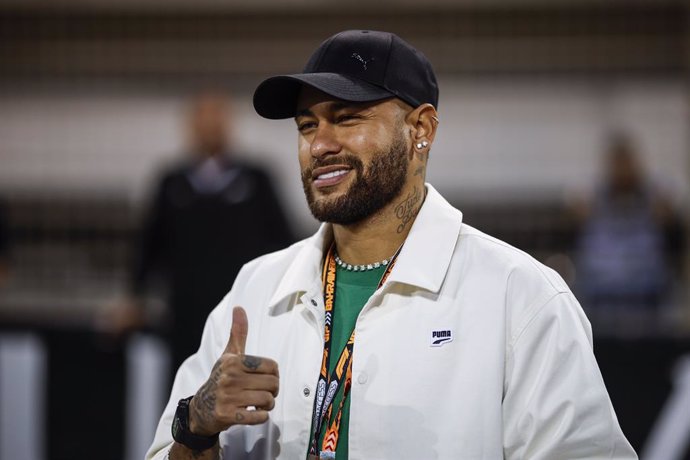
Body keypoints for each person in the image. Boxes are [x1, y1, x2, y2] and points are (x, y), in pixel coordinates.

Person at [147, 30, 636, 460]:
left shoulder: (520, 297)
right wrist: (195, 428)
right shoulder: (254, 292)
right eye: (307, 125)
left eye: (347, 117)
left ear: (420, 130)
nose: (320, 145)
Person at [113, 92, 293, 376]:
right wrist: (135, 297)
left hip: (244, 311)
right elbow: (149, 246)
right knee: (187, 389)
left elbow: (283, 241)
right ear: (191, 127)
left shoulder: (257, 179)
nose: (210, 127)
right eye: (202, 119)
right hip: (185, 313)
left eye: (217, 118)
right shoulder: (171, 182)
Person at [573, 134, 685, 327]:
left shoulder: (656, 197)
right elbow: (575, 214)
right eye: (617, 163)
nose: (622, 169)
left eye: (627, 162)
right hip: (602, 293)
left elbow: (673, 223)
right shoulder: (591, 197)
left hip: (647, 293)